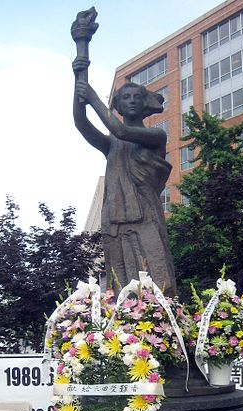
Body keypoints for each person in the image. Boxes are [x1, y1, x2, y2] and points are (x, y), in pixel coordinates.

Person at [72, 58, 177, 297]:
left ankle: (161, 320)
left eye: (136, 97)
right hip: (115, 218)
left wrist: (93, 97)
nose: (131, 101)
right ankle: (125, 324)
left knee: (158, 277)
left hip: (146, 215)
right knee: (118, 281)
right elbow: (81, 123)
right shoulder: (111, 145)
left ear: (145, 103)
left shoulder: (156, 135)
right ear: (118, 105)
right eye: (125, 98)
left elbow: (121, 130)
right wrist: (79, 75)